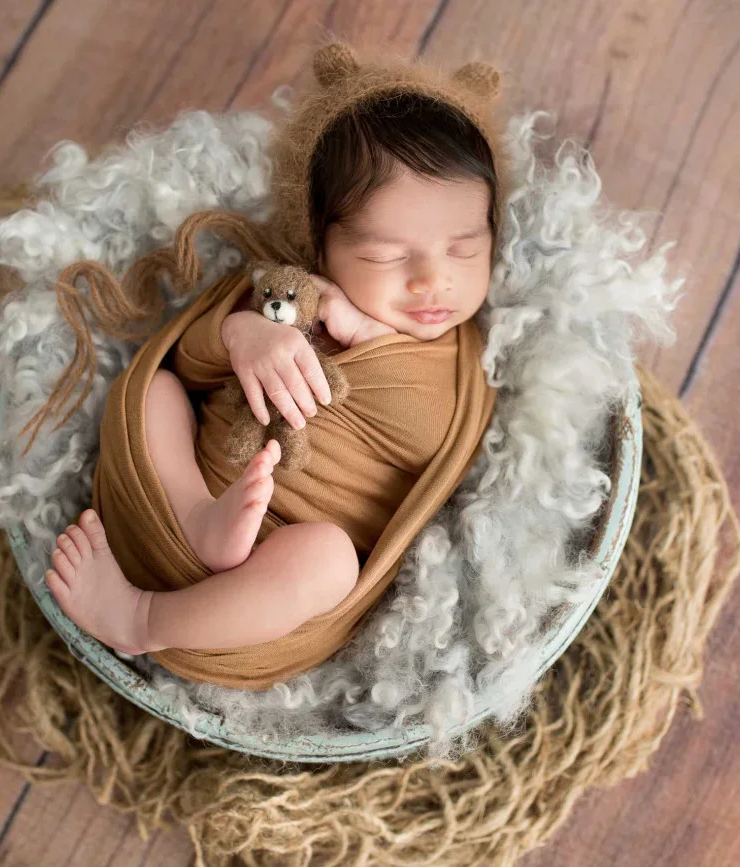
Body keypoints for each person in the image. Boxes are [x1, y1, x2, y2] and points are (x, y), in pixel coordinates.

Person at [39, 45, 505, 678]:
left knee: (329, 559)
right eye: (387, 257)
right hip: (167, 506)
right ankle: (197, 516)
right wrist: (242, 333)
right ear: (321, 244)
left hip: (260, 600)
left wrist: (370, 335)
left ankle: (141, 620)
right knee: (156, 393)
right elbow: (189, 363)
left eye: (462, 250)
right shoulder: (288, 291)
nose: (432, 282)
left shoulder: (460, 363)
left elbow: (426, 437)